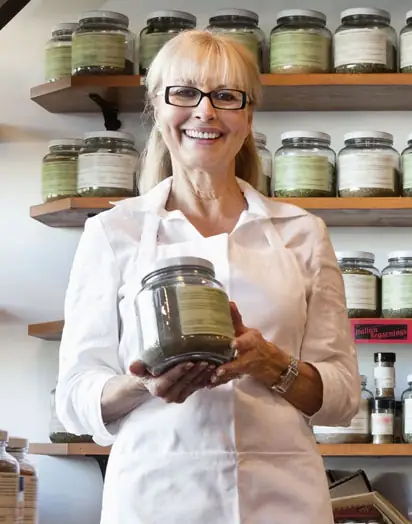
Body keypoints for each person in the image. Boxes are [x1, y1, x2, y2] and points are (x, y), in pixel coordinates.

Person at [55, 30, 360, 523]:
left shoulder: (302, 232)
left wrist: (271, 364)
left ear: (249, 115)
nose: (205, 112)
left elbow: (342, 396)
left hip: (283, 500)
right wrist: (144, 385)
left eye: (225, 96)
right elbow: (75, 397)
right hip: (156, 497)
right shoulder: (113, 231)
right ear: (157, 107)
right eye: (185, 93)